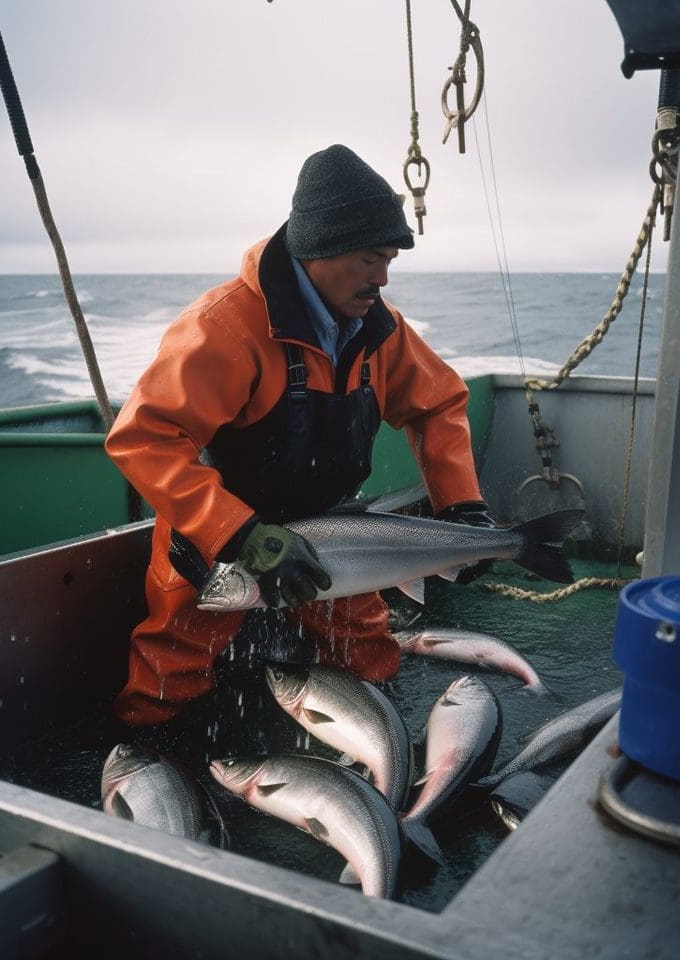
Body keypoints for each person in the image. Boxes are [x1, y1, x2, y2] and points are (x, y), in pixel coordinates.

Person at [105, 144, 494, 728]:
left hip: (331, 530)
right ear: (320, 249)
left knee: (369, 659)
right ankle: (148, 759)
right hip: (218, 538)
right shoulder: (224, 326)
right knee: (170, 673)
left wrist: (461, 505)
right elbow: (145, 438)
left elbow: (438, 404)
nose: (382, 278)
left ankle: (377, 754)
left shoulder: (380, 329)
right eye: (370, 259)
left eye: (389, 260)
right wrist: (241, 535)